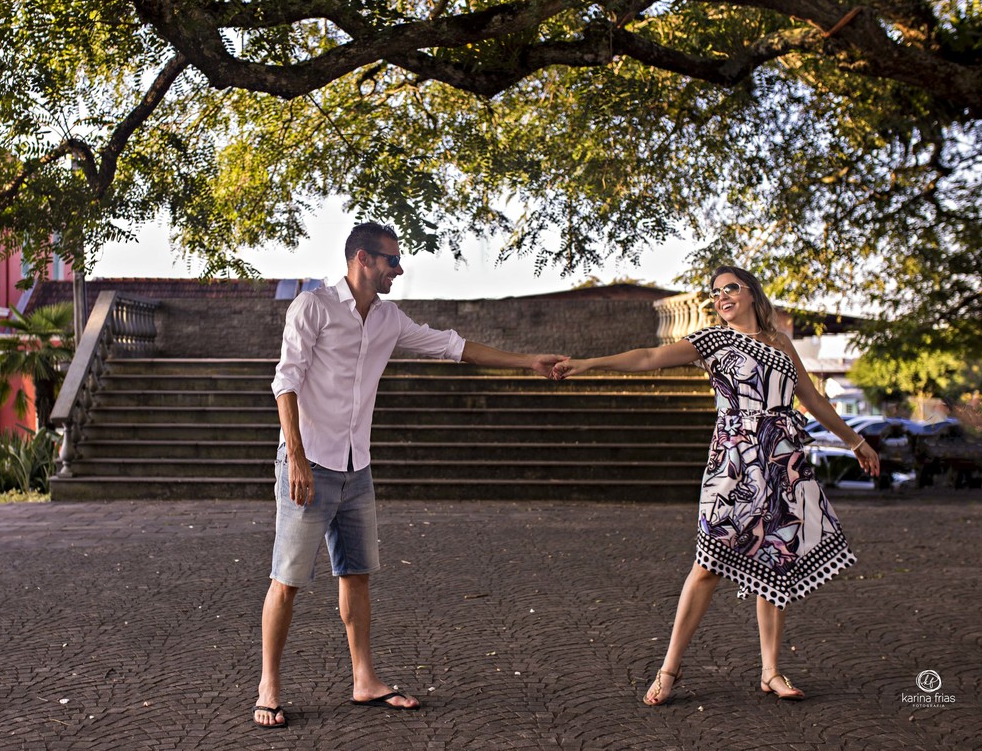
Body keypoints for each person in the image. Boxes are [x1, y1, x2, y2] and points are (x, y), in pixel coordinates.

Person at [254, 222, 566, 728]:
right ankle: (269, 685)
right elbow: (285, 382)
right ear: (362, 259)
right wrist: (297, 457)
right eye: (390, 261)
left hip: (358, 468)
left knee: (356, 574)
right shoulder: (311, 307)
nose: (398, 270)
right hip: (308, 464)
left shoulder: (388, 319)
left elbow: (453, 346)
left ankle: (364, 679)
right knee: (286, 580)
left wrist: (528, 361)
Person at [553, 265, 879, 706]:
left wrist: (855, 440)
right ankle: (669, 669)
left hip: (783, 460)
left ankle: (771, 671)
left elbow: (812, 398)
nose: (722, 296)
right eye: (715, 292)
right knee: (707, 565)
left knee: (777, 560)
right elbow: (649, 357)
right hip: (734, 463)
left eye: (731, 288)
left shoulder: (780, 342)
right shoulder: (712, 340)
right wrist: (591, 363)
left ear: (751, 294)